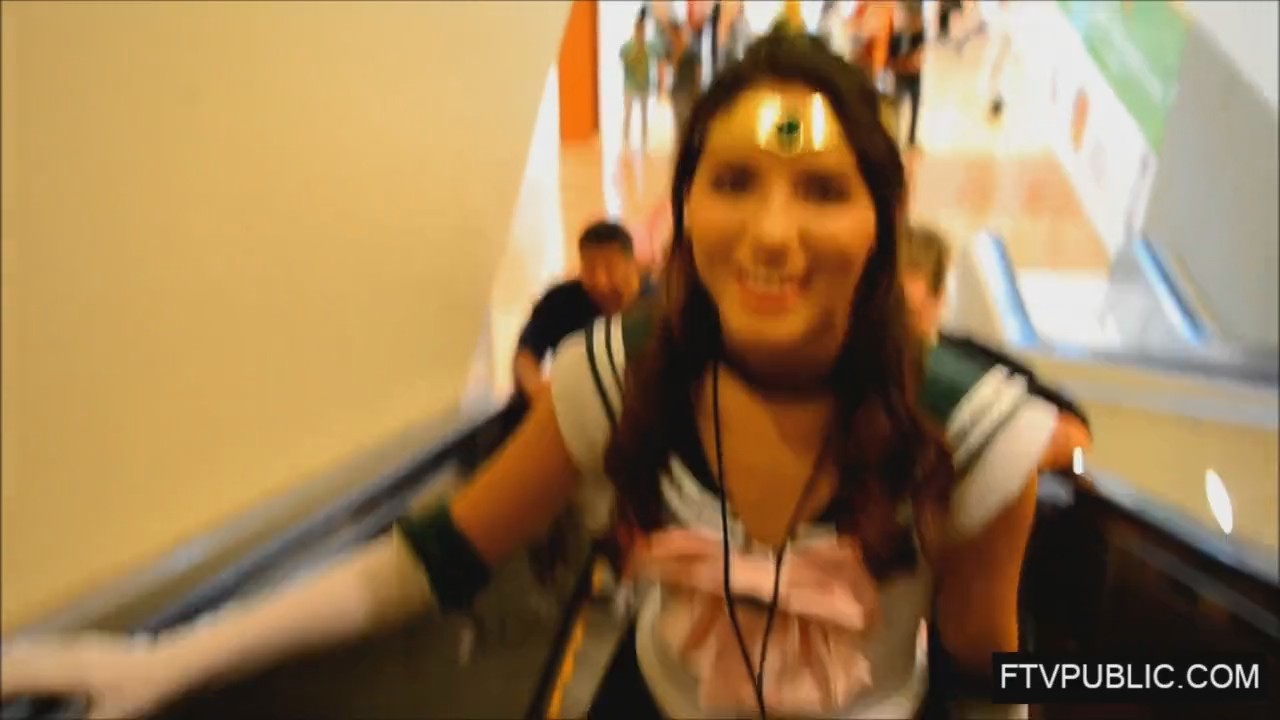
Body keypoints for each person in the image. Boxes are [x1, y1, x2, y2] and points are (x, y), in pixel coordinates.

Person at [1, 30, 1056, 720]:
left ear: (883, 219)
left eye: (821, 190)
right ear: (684, 208)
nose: (771, 234)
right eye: (734, 180)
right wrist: (167, 659)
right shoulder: (621, 373)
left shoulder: (972, 434)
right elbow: (432, 559)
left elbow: (985, 666)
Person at [899, 224, 1094, 474]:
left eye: (908, 313)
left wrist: (1074, 469)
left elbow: (1078, 437)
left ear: (939, 298)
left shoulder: (975, 362)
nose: (897, 329)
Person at [512, 221, 644, 403]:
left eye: (610, 268)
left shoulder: (659, 305)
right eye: (590, 269)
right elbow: (526, 355)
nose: (600, 281)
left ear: (633, 265)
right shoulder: (561, 301)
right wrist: (539, 391)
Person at [888, 0, 926, 149]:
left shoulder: (918, 35)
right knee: (897, 106)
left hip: (914, 75)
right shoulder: (897, 36)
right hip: (901, 75)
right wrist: (902, 65)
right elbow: (892, 59)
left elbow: (919, 56)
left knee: (913, 105)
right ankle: (896, 137)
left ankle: (911, 138)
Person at [621, 9, 659, 148]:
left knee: (644, 115)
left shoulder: (648, 47)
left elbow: (657, 57)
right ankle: (626, 140)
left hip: (644, 86)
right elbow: (623, 60)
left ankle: (644, 141)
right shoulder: (628, 47)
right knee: (628, 114)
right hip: (630, 86)